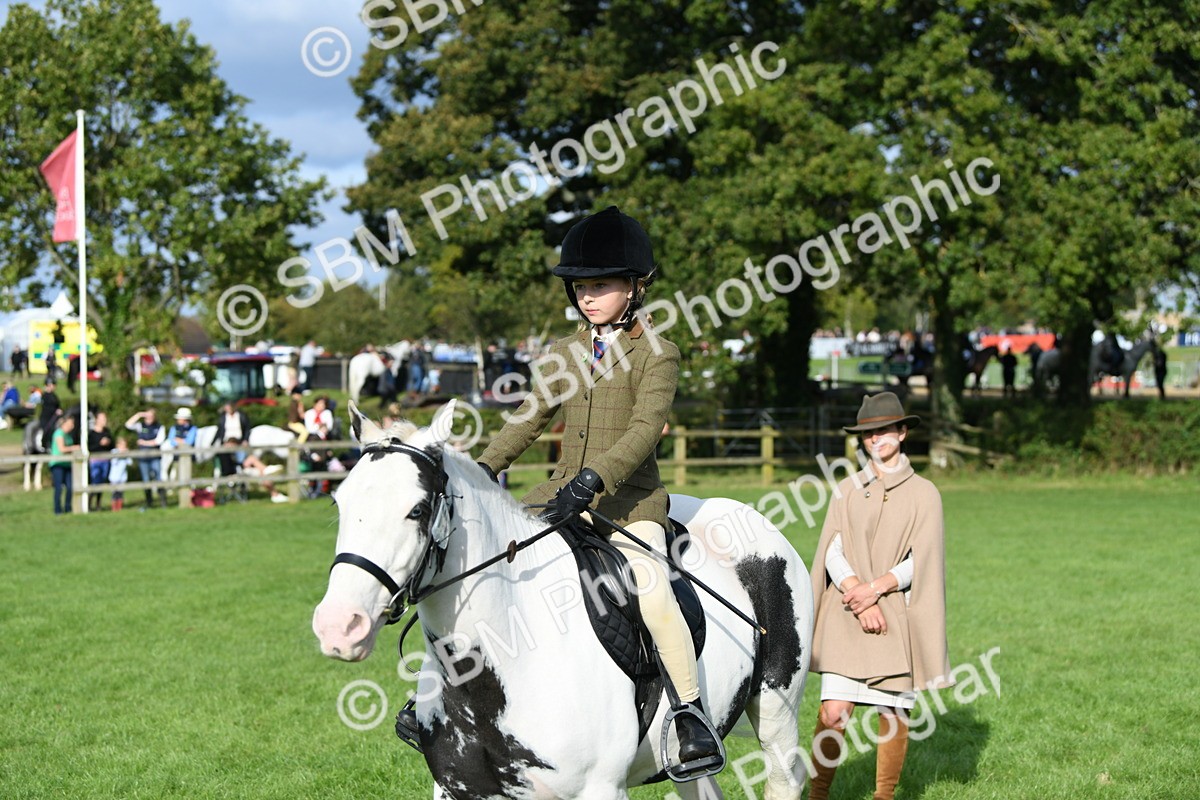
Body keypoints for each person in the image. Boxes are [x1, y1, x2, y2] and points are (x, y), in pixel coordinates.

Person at [467, 205, 720, 772]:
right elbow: (530, 418)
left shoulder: (659, 353)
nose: (587, 296)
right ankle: (439, 697)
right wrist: (483, 468)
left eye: (599, 285)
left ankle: (689, 713)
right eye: (580, 286)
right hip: (558, 493)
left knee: (651, 586)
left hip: (629, 504)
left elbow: (641, 432)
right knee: (485, 565)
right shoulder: (562, 353)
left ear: (634, 287)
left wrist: (595, 479)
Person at [807, 392, 952, 800]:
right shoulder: (847, 489)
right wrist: (856, 592)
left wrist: (876, 590)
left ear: (903, 432)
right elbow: (832, 549)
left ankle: (884, 797)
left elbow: (921, 561)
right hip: (846, 613)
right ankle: (817, 795)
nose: (877, 439)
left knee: (892, 713)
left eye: (886, 429)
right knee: (833, 713)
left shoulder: (926, 494)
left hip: (895, 613)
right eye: (869, 433)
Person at [125, 408, 168, 509]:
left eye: (151, 415)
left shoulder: (159, 427)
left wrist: (144, 442)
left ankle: (163, 502)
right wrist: (139, 414)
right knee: (146, 480)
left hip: (155, 456)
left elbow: (158, 441)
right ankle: (149, 502)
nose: (149, 418)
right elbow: (128, 424)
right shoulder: (140, 425)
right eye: (147, 416)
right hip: (143, 457)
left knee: (158, 478)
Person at [48, 413, 79, 514]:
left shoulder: (68, 436)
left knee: (70, 487)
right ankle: (57, 509)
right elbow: (62, 449)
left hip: (67, 464)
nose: (73, 426)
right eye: (71, 424)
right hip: (58, 464)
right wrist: (74, 448)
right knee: (59, 487)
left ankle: (68, 507)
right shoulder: (59, 433)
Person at [214, 402, 252, 481]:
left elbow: (247, 429)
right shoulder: (223, 417)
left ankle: (233, 473)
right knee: (223, 454)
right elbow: (219, 431)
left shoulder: (241, 416)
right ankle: (228, 473)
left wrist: (245, 440)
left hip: (238, 441)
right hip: (226, 441)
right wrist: (213, 442)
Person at [87, 411, 115, 510]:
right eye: (102, 419)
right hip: (95, 461)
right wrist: (100, 444)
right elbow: (89, 447)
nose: (104, 421)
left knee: (102, 482)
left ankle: (98, 504)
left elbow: (113, 445)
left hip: (106, 460)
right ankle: (89, 503)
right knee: (95, 482)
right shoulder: (91, 434)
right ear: (97, 420)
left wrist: (108, 443)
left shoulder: (107, 432)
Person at [108, 437, 133, 511]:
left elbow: (130, 463)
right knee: (114, 493)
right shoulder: (114, 452)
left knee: (120, 493)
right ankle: (114, 508)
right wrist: (120, 454)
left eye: (124, 445)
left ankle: (119, 508)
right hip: (114, 477)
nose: (123, 447)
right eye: (122, 445)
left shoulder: (126, 453)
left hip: (123, 477)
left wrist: (127, 454)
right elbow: (114, 462)